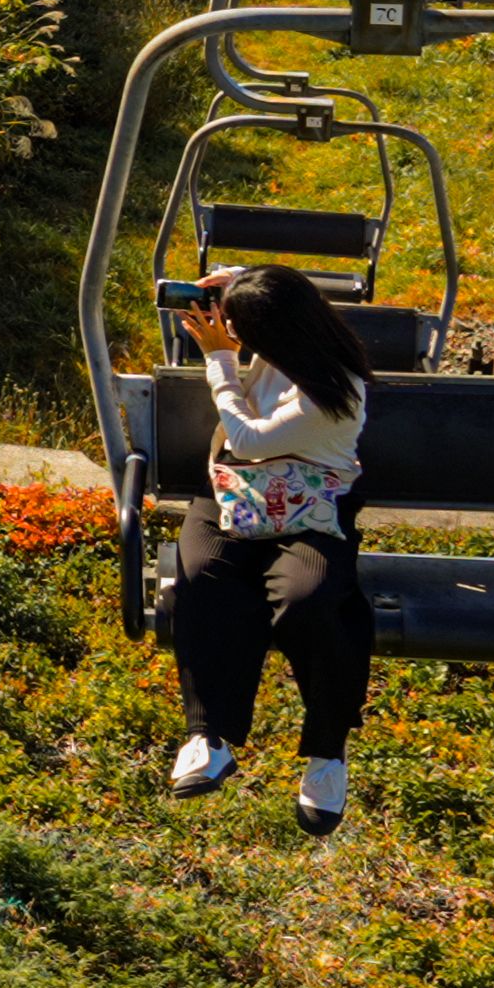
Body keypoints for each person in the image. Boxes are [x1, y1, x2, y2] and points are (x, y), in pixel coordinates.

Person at [165, 264, 374, 835]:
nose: (227, 328)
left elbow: (248, 438)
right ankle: (209, 735)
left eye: (237, 323)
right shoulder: (273, 340)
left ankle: (328, 752)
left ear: (275, 332)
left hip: (309, 505)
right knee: (204, 571)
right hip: (236, 490)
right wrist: (233, 280)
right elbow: (239, 455)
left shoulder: (333, 390)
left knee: (309, 597)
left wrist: (218, 360)